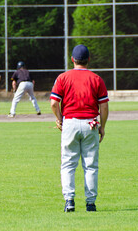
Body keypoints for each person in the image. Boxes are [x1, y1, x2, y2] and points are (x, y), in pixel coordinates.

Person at [50, 44, 109, 212]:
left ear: (72, 60)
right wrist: (102, 126)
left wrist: (59, 119)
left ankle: (69, 201)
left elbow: (54, 102)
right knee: (91, 165)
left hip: (70, 122)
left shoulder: (63, 77)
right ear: (88, 59)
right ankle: (90, 203)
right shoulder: (96, 79)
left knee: (68, 164)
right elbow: (103, 107)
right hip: (90, 123)